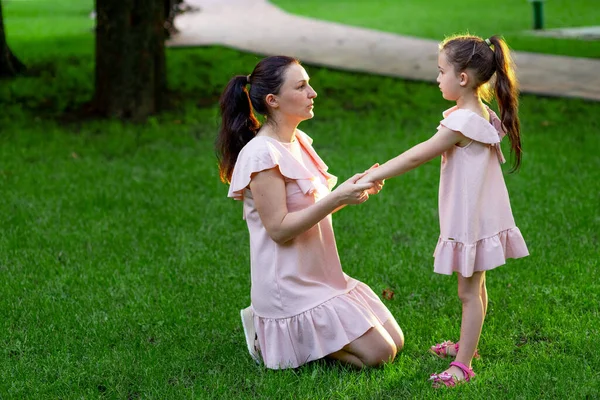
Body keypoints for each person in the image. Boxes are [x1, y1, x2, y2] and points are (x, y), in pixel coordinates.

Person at [357, 35, 529, 386]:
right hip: (481, 213)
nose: (437, 79)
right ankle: (468, 345)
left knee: (468, 293)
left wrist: (374, 174)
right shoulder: (479, 114)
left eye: (440, 72)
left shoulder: (462, 123)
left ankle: (463, 365)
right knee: (474, 287)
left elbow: (418, 154)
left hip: (472, 218)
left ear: (462, 78)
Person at [216, 55, 404, 370]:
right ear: (273, 101)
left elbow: (312, 207)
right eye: (301, 86)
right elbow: (278, 228)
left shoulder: (297, 141)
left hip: (320, 275)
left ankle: (299, 339)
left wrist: (350, 191)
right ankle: (275, 338)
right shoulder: (262, 154)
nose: (312, 93)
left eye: (309, 84)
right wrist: (336, 198)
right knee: (379, 355)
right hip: (288, 286)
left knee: (395, 342)